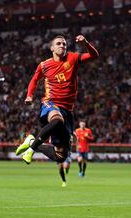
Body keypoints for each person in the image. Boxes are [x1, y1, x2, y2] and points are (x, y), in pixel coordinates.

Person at [15, 34, 99, 165]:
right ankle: (31, 150)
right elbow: (34, 80)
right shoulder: (44, 65)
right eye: (59, 44)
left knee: (60, 155)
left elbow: (94, 56)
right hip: (51, 103)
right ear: (52, 48)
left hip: (67, 110)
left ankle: (31, 141)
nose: (62, 46)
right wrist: (29, 95)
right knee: (57, 119)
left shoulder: (72, 58)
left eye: (64, 44)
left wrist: (86, 44)